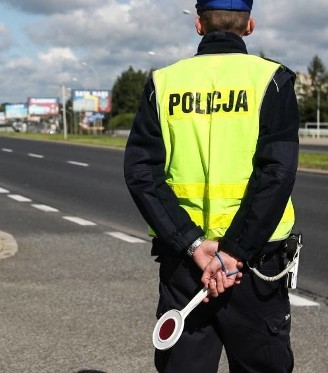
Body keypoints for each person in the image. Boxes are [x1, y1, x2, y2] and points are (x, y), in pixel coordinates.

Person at [124, 0, 298, 372]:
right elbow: (277, 173)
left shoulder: (163, 82)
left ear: (199, 26)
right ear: (249, 25)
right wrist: (235, 251)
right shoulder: (273, 80)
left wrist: (193, 244)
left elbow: (141, 172)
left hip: (186, 264)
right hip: (255, 265)